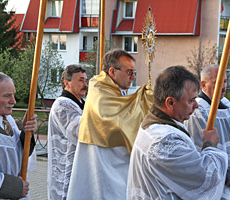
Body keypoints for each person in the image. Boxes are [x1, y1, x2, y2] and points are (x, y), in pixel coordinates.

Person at [127, 66, 228, 200]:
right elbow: (203, 178)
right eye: (191, 100)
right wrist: (210, 144)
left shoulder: (158, 124)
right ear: (170, 103)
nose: (196, 105)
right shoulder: (164, 140)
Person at [67, 49, 153, 200]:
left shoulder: (117, 92)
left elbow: (126, 110)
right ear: (112, 71)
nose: (133, 77)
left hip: (116, 162)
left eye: (134, 73)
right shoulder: (99, 89)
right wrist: (145, 99)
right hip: (101, 164)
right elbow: (119, 121)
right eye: (129, 72)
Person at [185, 65, 230, 200]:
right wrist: (222, 176)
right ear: (203, 84)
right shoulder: (197, 111)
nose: (223, 87)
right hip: (215, 180)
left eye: (225, 82)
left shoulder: (227, 104)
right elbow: (197, 151)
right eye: (217, 83)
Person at [47, 64, 87, 200]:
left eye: (86, 80)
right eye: (81, 80)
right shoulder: (62, 105)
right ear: (66, 83)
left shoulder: (82, 102)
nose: (85, 84)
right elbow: (81, 131)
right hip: (66, 168)